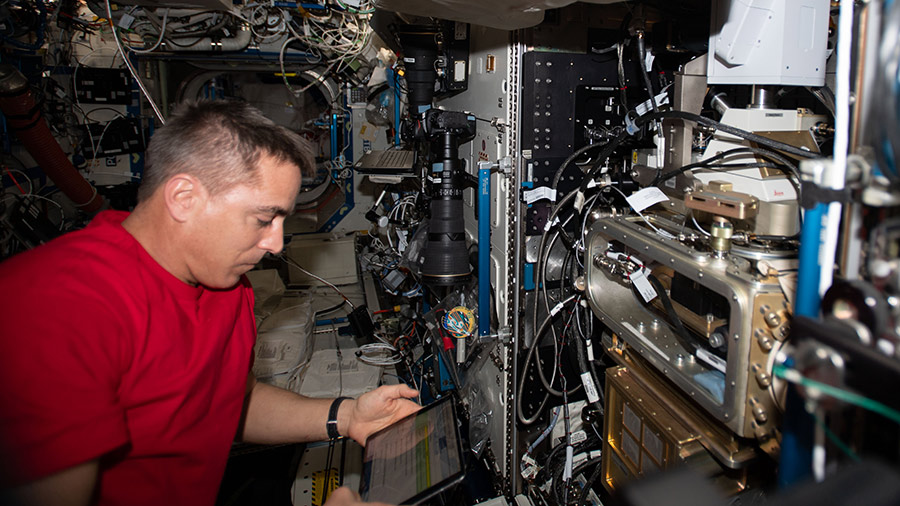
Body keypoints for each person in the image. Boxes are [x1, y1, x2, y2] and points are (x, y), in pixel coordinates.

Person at [0, 100, 420, 505]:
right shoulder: (56, 305)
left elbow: (228, 402)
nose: (275, 244)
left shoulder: (228, 288)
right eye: (262, 219)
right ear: (184, 198)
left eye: (281, 221)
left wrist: (346, 418)